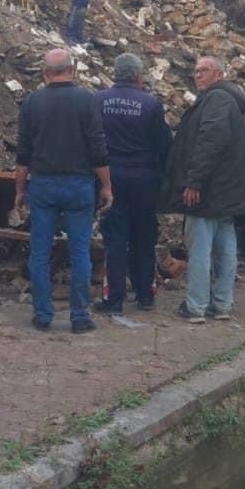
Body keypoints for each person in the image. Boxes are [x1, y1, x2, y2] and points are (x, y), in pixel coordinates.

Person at [15, 48, 113, 333]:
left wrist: (20, 189)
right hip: (79, 185)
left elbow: (23, 153)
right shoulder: (86, 100)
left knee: (40, 252)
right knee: (80, 250)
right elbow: (98, 147)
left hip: (43, 184)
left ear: (45, 73)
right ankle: (79, 316)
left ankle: (43, 315)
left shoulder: (32, 102)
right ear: (72, 70)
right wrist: (106, 185)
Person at [159, 56, 245, 322]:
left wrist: (194, 181)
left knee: (200, 249)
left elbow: (210, 139)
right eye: (195, 70)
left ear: (219, 74)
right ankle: (222, 305)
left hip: (207, 192)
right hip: (226, 192)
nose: (197, 75)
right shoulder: (229, 102)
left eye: (203, 70)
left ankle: (196, 307)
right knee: (226, 249)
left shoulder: (216, 99)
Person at [95, 52, 173, 314]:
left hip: (111, 177)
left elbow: (92, 141)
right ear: (139, 76)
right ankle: (145, 295)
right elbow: (163, 144)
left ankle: (113, 299)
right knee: (144, 235)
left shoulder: (99, 100)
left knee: (115, 238)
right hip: (144, 178)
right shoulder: (151, 104)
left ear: (115, 73)